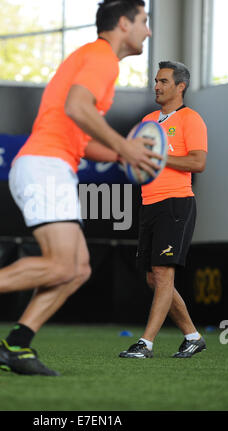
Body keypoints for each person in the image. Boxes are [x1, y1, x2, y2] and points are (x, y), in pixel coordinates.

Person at [0, 0, 160, 376]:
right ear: (123, 23)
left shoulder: (96, 61)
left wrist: (122, 157)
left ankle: (16, 345)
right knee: (61, 264)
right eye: (144, 21)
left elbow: (80, 137)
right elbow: (77, 107)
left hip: (53, 164)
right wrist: (126, 147)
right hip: (44, 165)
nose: (148, 31)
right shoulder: (102, 57)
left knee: (77, 269)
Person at [119, 61, 208, 359]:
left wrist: (158, 158)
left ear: (180, 86)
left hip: (176, 203)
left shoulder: (190, 119)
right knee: (153, 278)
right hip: (149, 203)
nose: (156, 86)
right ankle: (193, 336)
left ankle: (145, 343)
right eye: (156, 81)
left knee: (162, 273)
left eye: (164, 81)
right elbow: (138, 160)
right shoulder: (147, 121)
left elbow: (197, 163)